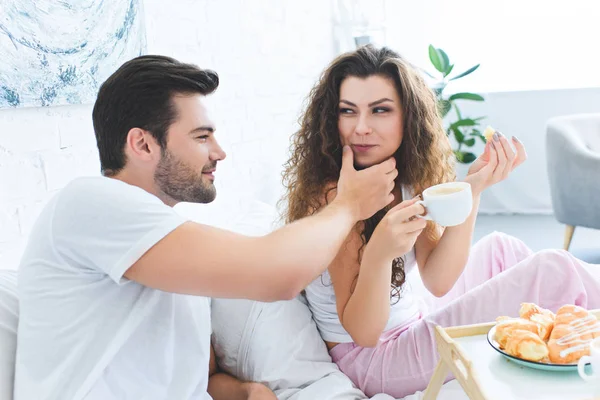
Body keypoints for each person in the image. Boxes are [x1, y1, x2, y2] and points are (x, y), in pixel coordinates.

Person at [13, 55, 398, 400]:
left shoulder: (168, 245)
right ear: (143, 145)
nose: (219, 151)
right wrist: (349, 205)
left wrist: (246, 392)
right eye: (202, 136)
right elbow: (276, 276)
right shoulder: (89, 204)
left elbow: (202, 379)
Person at [281, 44, 600, 398]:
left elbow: (438, 279)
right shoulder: (336, 197)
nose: (361, 128)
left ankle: (565, 342)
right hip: (374, 359)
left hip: (413, 320)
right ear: (331, 118)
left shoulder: (404, 177)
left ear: (408, 117)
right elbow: (364, 333)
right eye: (347, 111)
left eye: (380, 110)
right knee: (553, 268)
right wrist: (380, 253)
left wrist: (473, 190)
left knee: (500, 248)